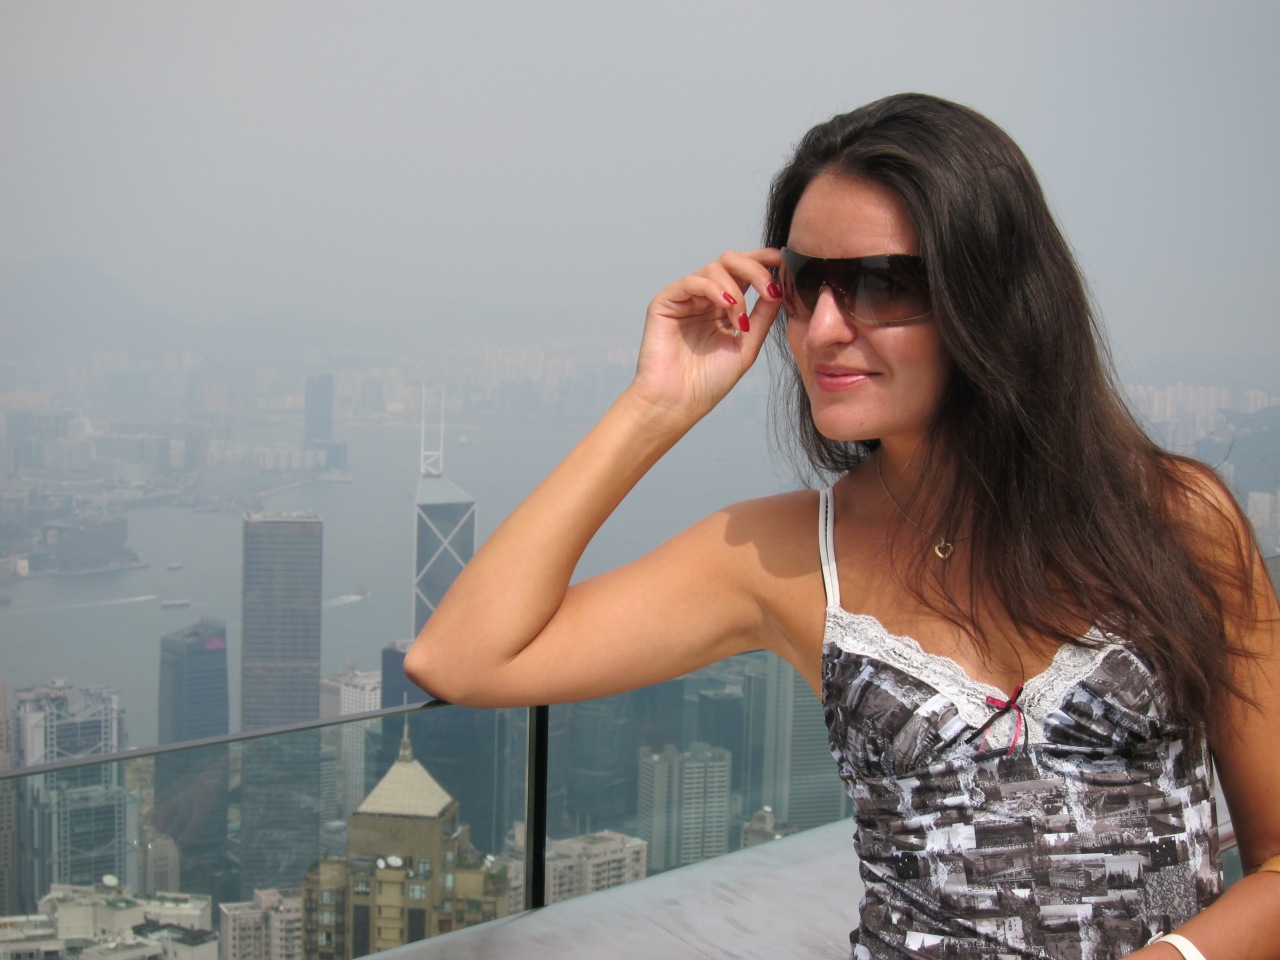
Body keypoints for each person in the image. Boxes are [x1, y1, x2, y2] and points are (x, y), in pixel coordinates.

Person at [406, 93, 1280, 958]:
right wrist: (655, 406)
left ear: (992, 295)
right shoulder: (782, 557)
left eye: (877, 283)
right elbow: (461, 658)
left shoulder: (1178, 521)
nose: (823, 328)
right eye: (801, 286)